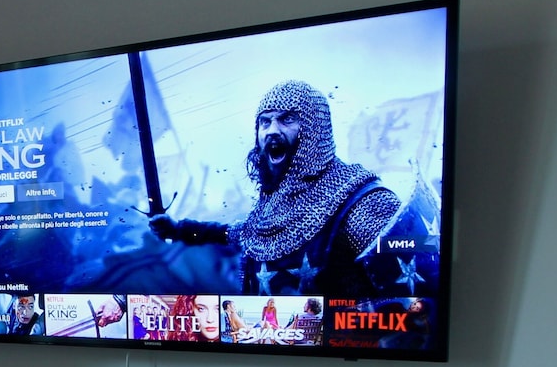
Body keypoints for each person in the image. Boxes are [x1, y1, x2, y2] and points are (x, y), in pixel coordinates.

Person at [149, 80, 400, 297]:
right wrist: (179, 229)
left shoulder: (364, 202)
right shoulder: (273, 204)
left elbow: (413, 305)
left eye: (286, 119)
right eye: (265, 122)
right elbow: (239, 233)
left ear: (314, 128)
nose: (272, 131)